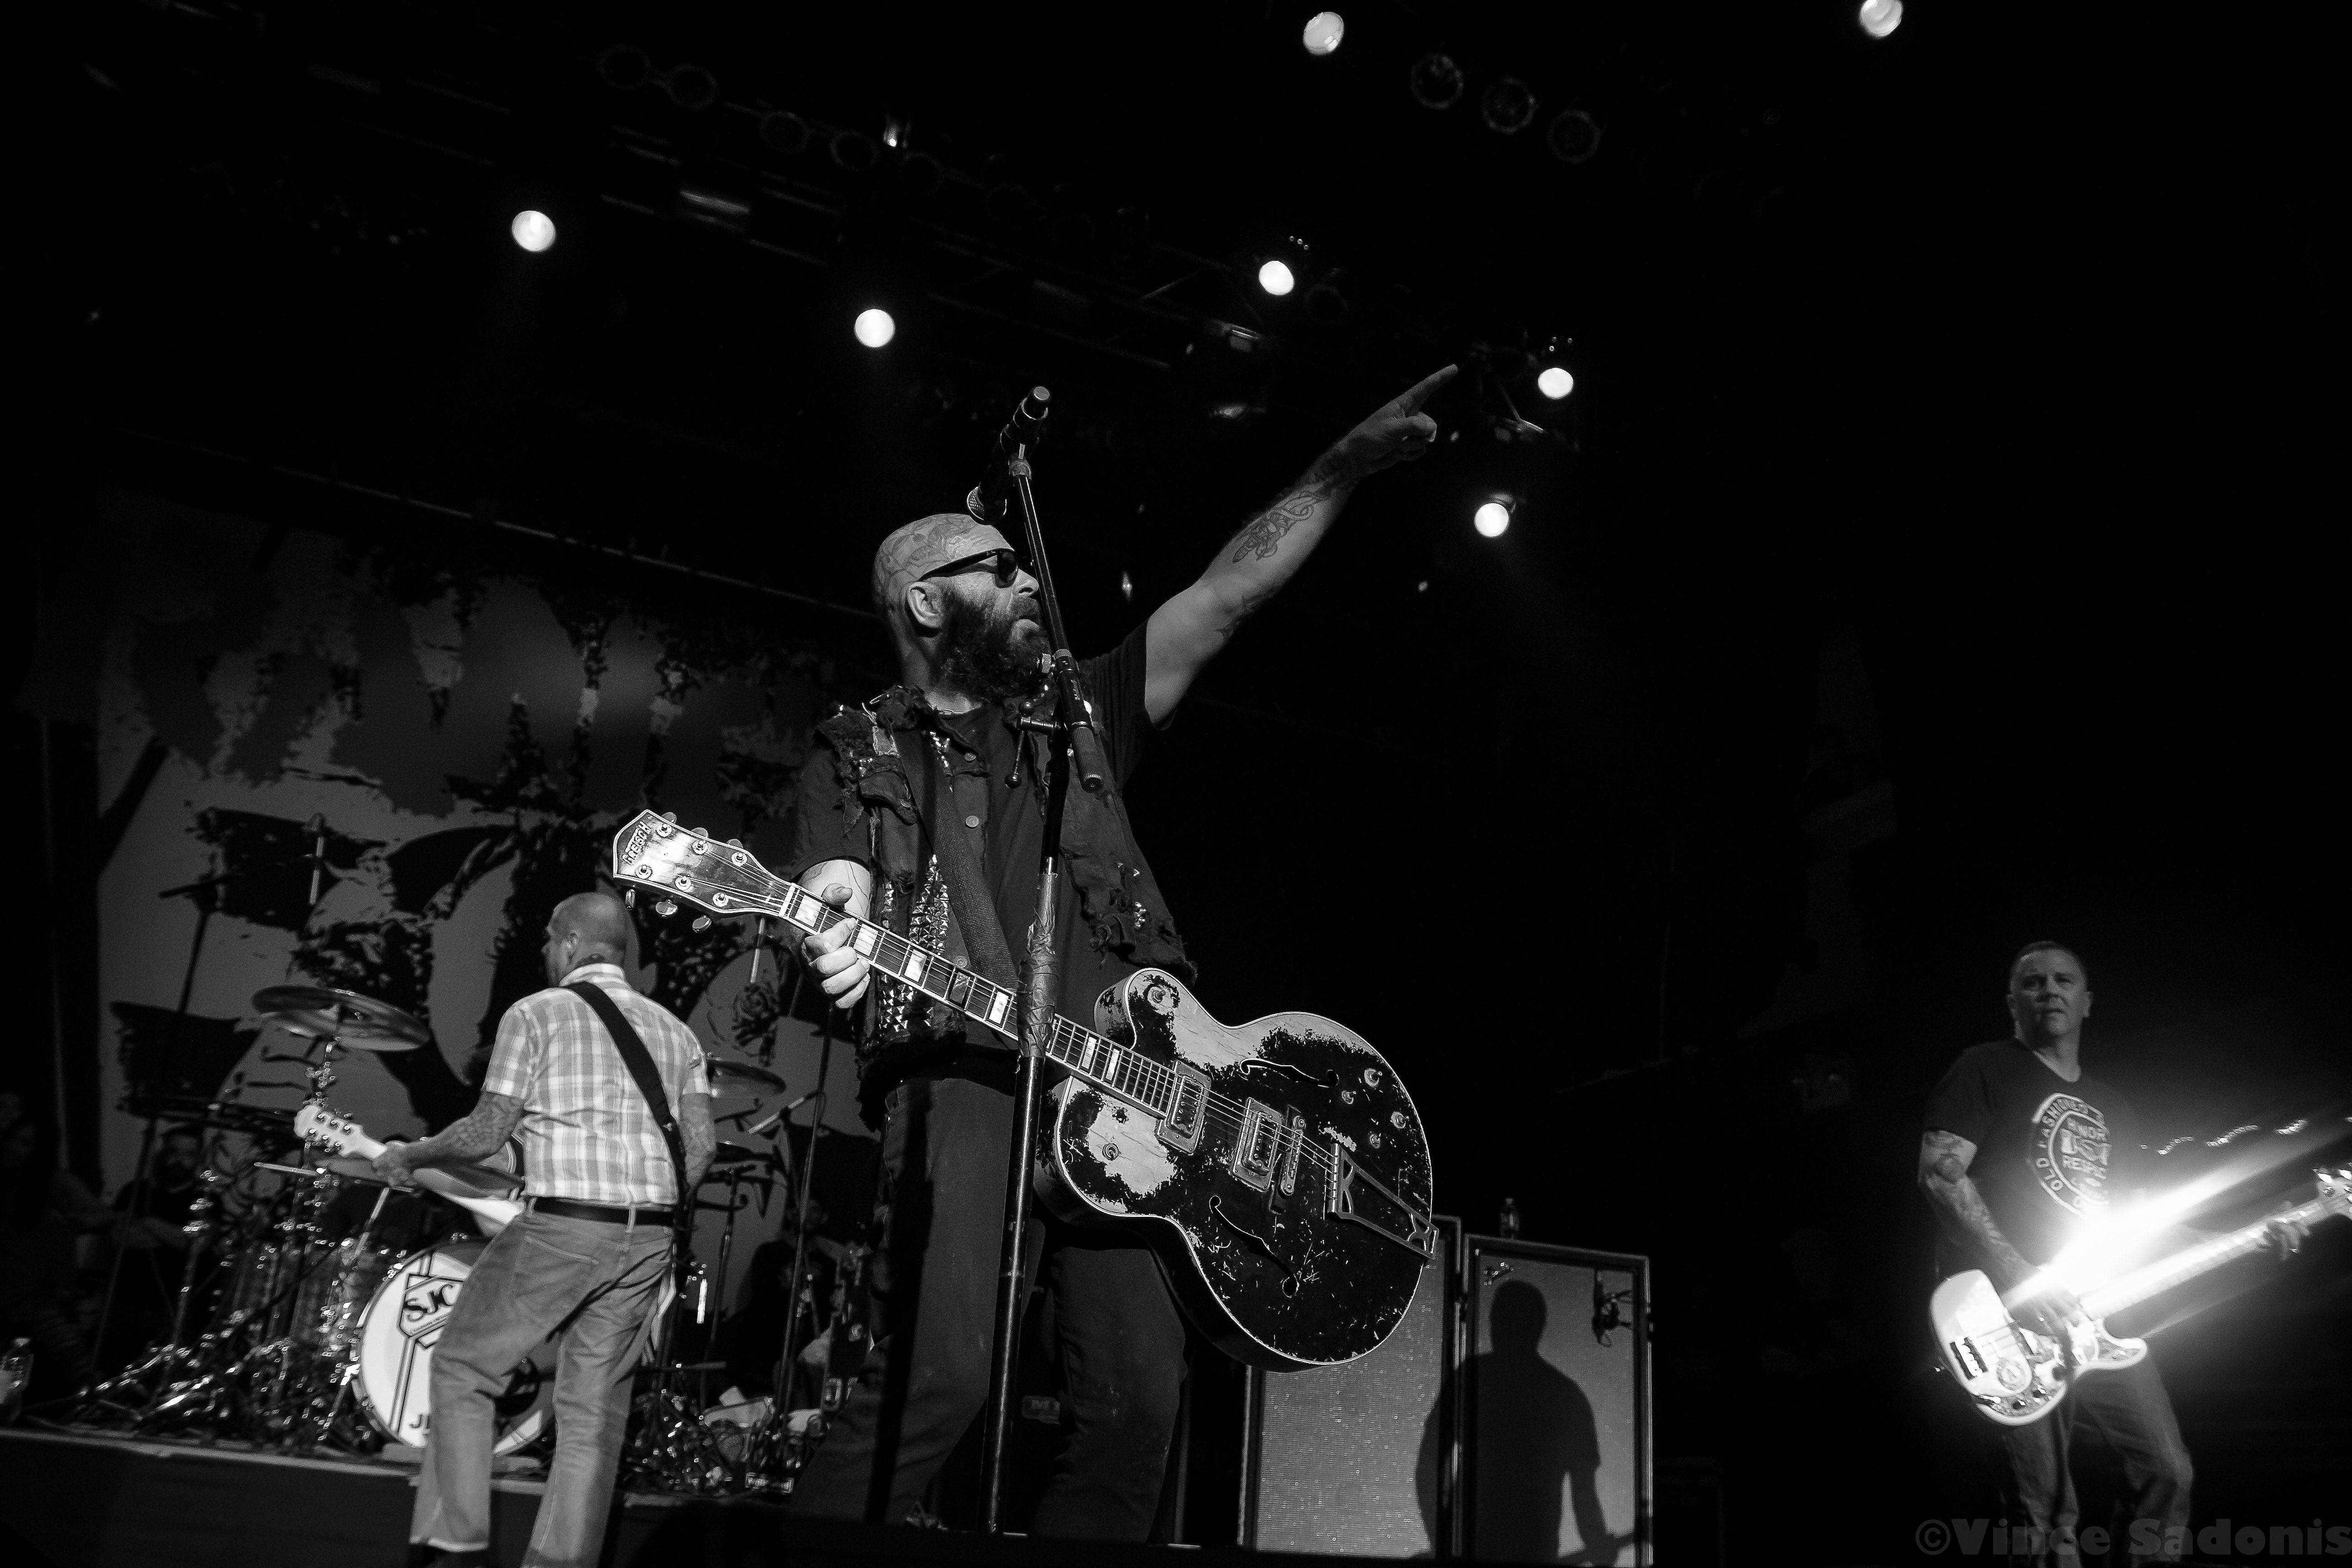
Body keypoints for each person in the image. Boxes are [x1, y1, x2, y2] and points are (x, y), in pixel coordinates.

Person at [787, 365, 1455, 1537]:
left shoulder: (1078, 713)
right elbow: (832, 880)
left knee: (1139, 1407)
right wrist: (830, 914)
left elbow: (1227, 597)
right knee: (944, 1378)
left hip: (1137, 1099)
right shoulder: (859, 753)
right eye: (997, 568)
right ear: (927, 604)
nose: (1027, 581)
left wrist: (1343, 467)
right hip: (967, 1075)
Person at [1917, 941, 2306, 1567]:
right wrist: (2021, 1277)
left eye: (2064, 980)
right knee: (2044, 1513)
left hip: (2093, 1315)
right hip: (2006, 1316)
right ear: (2012, 1002)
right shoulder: (1984, 1067)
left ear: (2087, 1001)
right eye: (2033, 982)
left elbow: (2139, 1224)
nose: (2049, 990)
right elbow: (1940, 1175)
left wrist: (2246, 1241)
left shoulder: (2113, 1107)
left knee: (2167, 1471)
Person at [374, 891, 714, 1568]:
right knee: (591, 1418)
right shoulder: (679, 1034)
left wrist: (411, 1154)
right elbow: (700, 1149)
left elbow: (485, 1131)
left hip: (566, 1227)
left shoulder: (536, 1014)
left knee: (465, 1365)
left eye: (548, 940)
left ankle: (454, 1547)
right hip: (651, 1239)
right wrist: (647, 1213)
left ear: (569, 943)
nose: (544, 952)